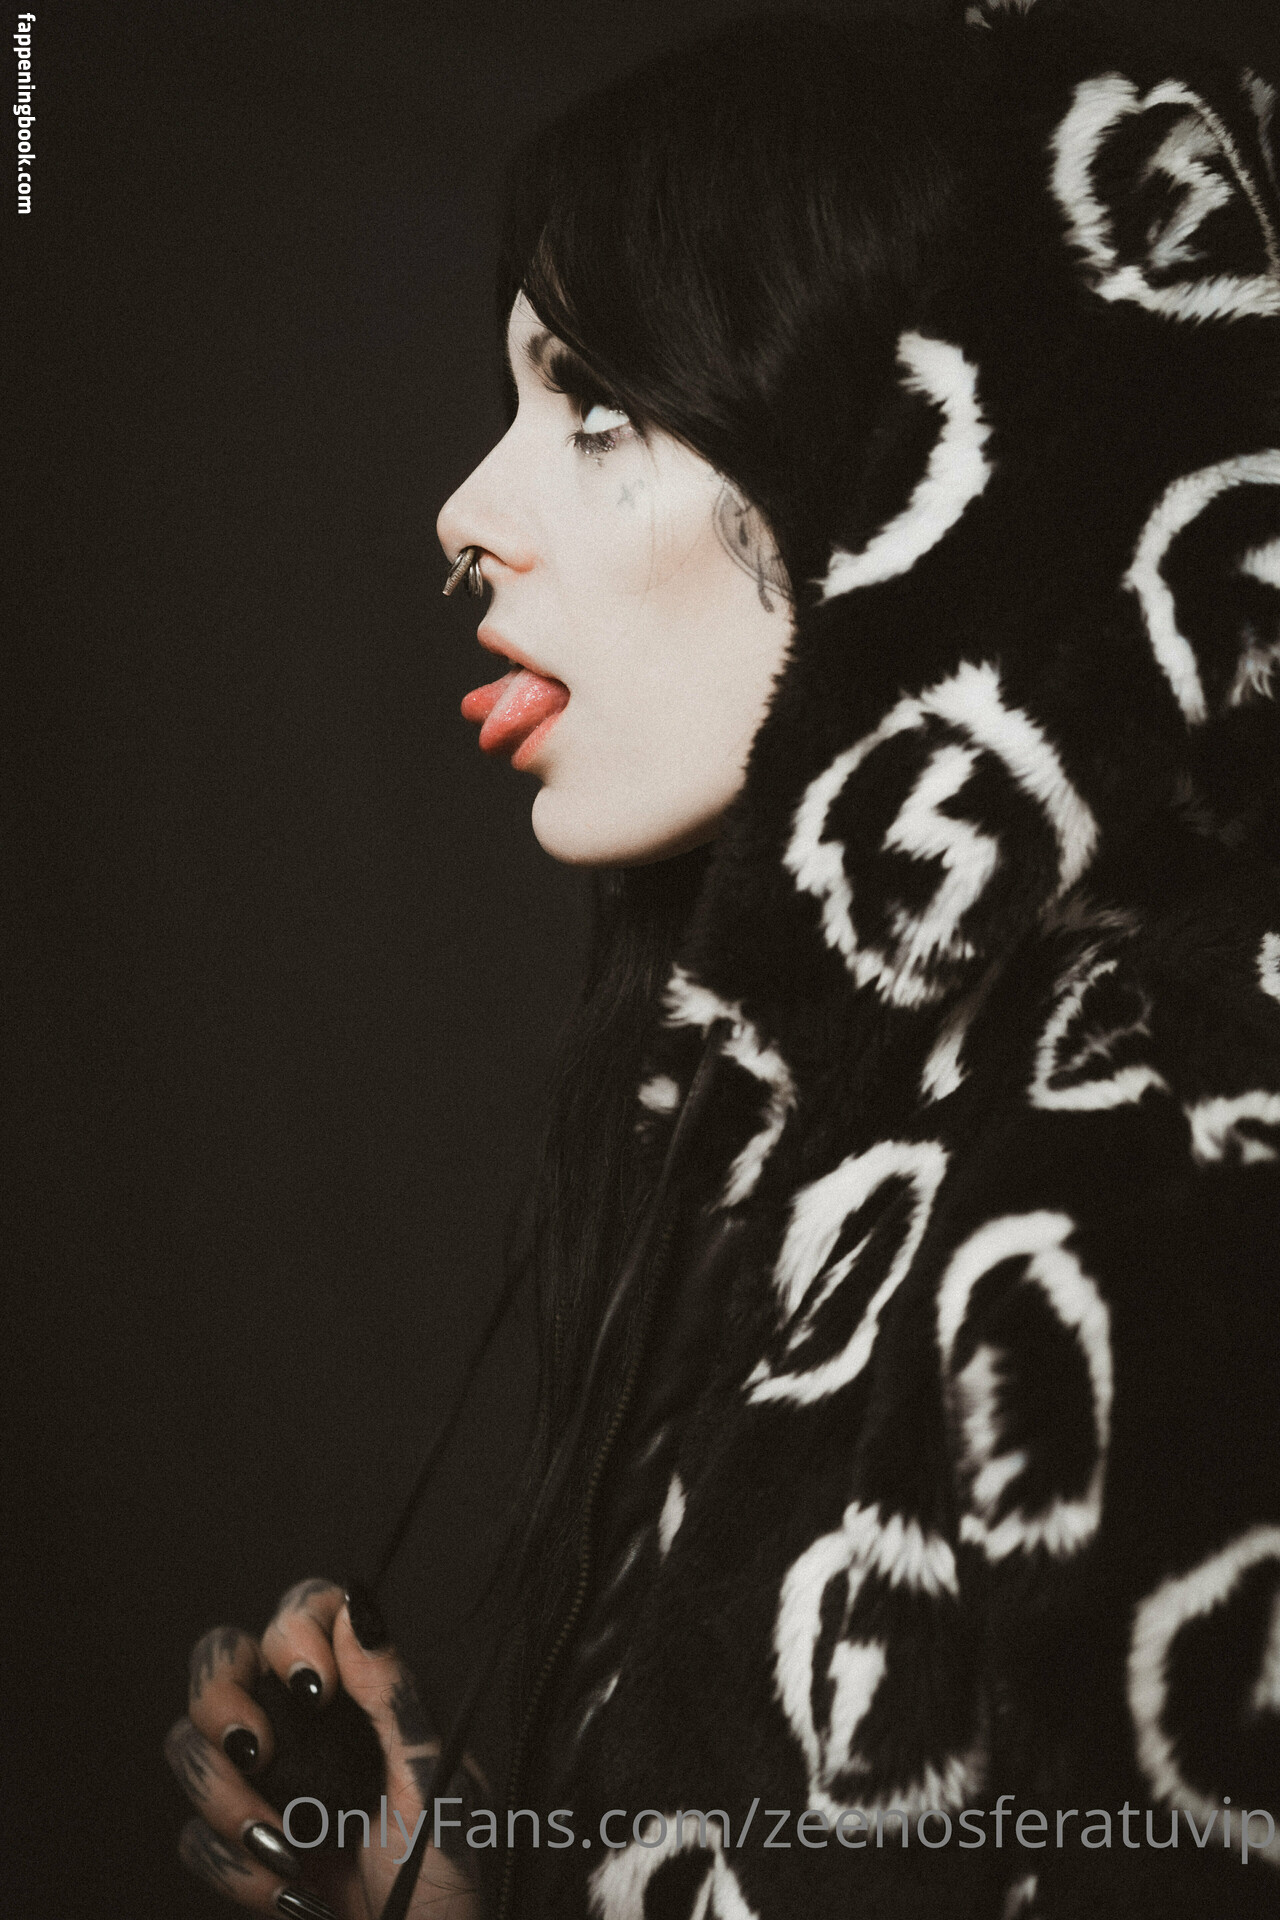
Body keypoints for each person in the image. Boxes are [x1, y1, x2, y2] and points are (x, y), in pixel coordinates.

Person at [165, 1, 1280, 1915]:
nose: (466, 517)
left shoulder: (1165, 1171)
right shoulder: (841, 1143)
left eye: (598, 406)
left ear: (942, 474)